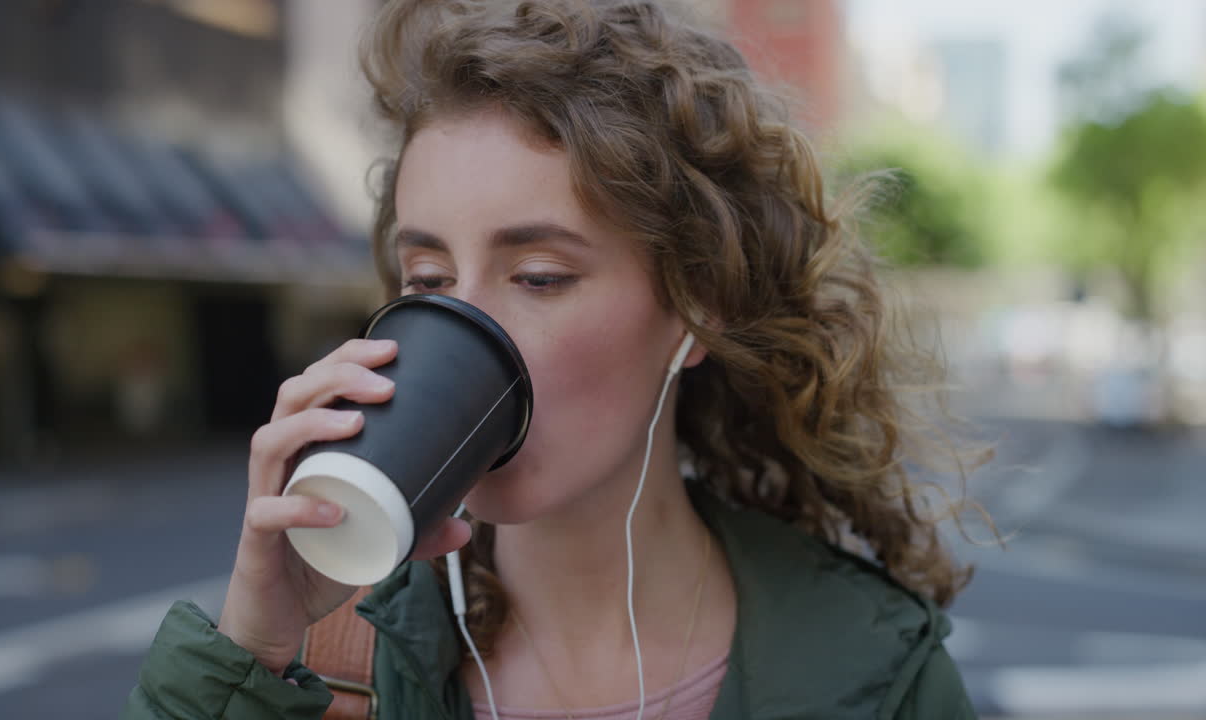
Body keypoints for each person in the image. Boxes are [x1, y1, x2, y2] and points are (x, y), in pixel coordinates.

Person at [123, 1, 986, 718]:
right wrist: (248, 659)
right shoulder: (329, 663)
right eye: (429, 278)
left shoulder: (875, 675)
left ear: (697, 304)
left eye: (538, 276)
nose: (463, 326)